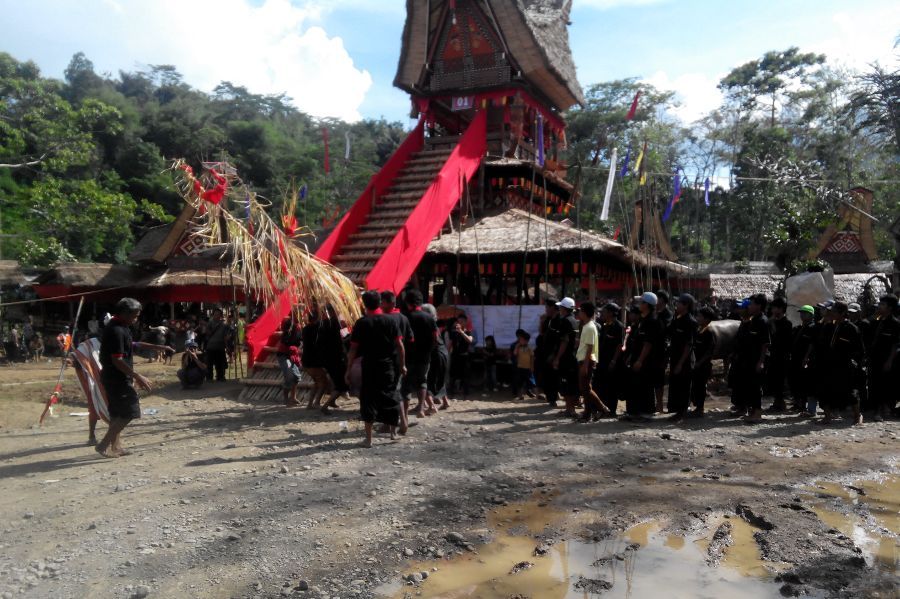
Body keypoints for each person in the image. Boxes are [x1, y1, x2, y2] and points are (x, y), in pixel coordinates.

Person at [95, 298, 170, 458]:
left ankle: (115, 447)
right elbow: (117, 359)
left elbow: (133, 344)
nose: (136, 319)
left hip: (113, 377)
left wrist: (158, 347)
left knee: (117, 413)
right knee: (130, 411)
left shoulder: (120, 327)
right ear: (124, 313)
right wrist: (137, 376)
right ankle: (103, 445)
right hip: (117, 378)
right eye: (135, 316)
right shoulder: (116, 331)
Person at [346, 290, 406, 447]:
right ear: (380, 302)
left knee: (368, 399)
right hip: (388, 366)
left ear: (364, 305)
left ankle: (368, 439)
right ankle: (392, 434)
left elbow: (353, 349)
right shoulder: (391, 321)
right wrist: (402, 365)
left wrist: (348, 369)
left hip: (369, 366)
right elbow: (400, 346)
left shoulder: (361, 323)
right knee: (391, 396)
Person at [819, 301, 864, 425]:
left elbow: (859, 350)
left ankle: (857, 416)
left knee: (850, 392)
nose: (831, 313)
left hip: (844, 366)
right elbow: (822, 346)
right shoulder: (829, 327)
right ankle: (827, 417)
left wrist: (855, 363)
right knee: (824, 390)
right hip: (828, 365)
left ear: (843, 313)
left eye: (834, 311)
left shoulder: (851, 328)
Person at [623, 293, 665, 421]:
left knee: (645, 386)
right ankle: (633, 412)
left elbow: (648, 344)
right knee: (635, 385)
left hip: (647, 361)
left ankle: (646, 412)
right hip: (637, 358)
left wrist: (640, 360)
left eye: (641, 302)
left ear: (646, 305)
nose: (639, 304)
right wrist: (632, 356)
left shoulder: (653, 321)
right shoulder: (643, 319)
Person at [731, 294, 770, 423]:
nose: (750, 307)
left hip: (756, 359)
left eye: (752, 304)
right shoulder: (752, 320)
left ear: (759, 306)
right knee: (749, 385)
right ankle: (751, 410)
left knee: (755, 386)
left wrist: (761, 361)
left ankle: (757, 412)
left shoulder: (763, 321)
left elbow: (765, 344)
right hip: (747, 359)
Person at [381, 291, 413, 432]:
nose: (381, 304)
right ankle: (391, 423)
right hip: (401, 359)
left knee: (391, 392)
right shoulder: (404, 318)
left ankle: (400, 422)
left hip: (387, 360)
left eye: (383, 302)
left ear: (390, 303)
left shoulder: (384, 319)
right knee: (396, 390)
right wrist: (404, 362)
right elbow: (410, 340)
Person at [404, 290, 439, 417]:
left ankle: (405, 414)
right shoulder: (429, 318)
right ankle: (420, 409)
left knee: (406, 384)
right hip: (424, 356)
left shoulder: (404, 317)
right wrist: (429, 350)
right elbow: (436, 337)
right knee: (422, 381)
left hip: (407, 356)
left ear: (407, 302)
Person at [866, 295, 899, 422]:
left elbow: (895, 345)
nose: (879, 306)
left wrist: (889, 361)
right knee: (873, 384)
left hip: (886, 360)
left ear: (889, 308)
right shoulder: (876, 321)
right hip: (874, 358)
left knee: (884, 385)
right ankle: (877, 408)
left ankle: (881, 410)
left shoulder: (895, 324)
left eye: (882, 304)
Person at [575, 302, 610, 421]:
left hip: (587, 361)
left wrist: (585, 365)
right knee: (584, 389)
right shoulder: (586, 326)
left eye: (580, 311)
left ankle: (603, 408)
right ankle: (588, 413)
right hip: (584, 360)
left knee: (586, 389)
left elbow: (590, 347)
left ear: (584, 312)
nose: (579, 313)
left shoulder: (589, 327)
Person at [667, 294, 697, 422]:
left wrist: (680, 363)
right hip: (675, 356)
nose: (676, 305)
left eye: (679, 303)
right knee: (675, 385)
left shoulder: (690, 321)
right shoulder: (677, 319)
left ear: (686, 305)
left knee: (684, 386)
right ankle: (677, 410)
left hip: (684, 360)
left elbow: (689, 345)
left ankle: (683, 412)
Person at [318, 304, 350, 415]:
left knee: (338, 381)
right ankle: (325, 406)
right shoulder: (334, 322)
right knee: (341, 385)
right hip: (336, 358)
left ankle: (331, 402)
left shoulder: (322, 324)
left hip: (327, 358)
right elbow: (344, 332)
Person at [550, 297, 579, 417]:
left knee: (566, 383)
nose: (559, 309)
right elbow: (576, 341)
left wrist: (557, 358)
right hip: (572, 356)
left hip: (566, 358)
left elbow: (564, 341)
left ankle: (570, 409)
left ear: (564, 308)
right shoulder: (574, 321)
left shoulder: (565, 321)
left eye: (560, 307)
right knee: (570, 383)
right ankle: (569, 408)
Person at [594, 303, 625, 417]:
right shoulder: (604, 325)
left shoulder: (619, 326)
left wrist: (614, 361)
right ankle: (602, 409)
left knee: (611, 386)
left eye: (605, 311)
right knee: (601, 385)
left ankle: (611, 410)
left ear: (611, 313)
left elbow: (619, 345)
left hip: (612, 361)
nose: (603, 313)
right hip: (602, 360)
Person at [765, 297, 793, 412]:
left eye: (775, 308)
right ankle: (777, 402)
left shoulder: (787, 323)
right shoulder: (771, 321)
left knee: (780, 380)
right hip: (772, 355)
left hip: (782, 356)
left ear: (781, 309)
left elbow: (782, 340)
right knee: (773, 380)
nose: (773, 310)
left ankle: (780, 403)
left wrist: (772, 325)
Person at [301, 309, 332, 410]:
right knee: (324, 383)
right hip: (313, 361)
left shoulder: (305, 329)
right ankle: (316, 402)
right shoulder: (318, 329)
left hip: (306, 360)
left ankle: (310, 404)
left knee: (317, 382)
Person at [690, 307, 717, 418]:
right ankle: (696, 407)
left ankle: (700, 409)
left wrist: (699, 362)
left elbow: (709, 351)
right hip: (696, 363)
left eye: (700, 316)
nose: (697, 318)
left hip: (703, 365)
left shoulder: (709, 332)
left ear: (706, 319)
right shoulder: (699, 330)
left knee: (701, 386)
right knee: (695, 386)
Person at [790, 305, 818, 414]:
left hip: (806, 360)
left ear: (811, 315)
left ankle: (805, 405)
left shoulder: (813, 328)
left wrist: (807, 357)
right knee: (796, 381)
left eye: (805, 313)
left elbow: (812, 344)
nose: (802, 315)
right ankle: (798, 403)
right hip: (796, 358)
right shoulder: (800, 328)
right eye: (801, 313)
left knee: (804, 382)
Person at [422, 304, 450, 411]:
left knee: (428, 380)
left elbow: (432, 341)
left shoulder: (427, 324)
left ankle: (431, 407)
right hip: (443, 352)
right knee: (439, 378)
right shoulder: (434, 324)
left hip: (436, 354)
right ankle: (445, 401)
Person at [276, 315, 303, 406]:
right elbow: (289, 342)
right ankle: (286, 398)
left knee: (296, 377)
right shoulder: (287, 332)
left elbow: (299, 340)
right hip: (284, 356)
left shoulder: (298, 328)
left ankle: (293, 397)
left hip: (290, 356)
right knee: (289, 376)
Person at [655, 289, 674, 413]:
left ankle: (660, 405)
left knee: (659, 379)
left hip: (661, 351)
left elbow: (665, 333)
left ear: (662, 300)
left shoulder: (668, 315)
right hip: (653, 350)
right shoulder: (655, 312)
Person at [448, 315, 474, 397]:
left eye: (462, 321)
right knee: (453, 374)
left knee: (465, 375)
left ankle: (466, 392)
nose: (460, 323)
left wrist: (461, 332)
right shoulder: (453, 332)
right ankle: (451, 391)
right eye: (458, 322)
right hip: (455, 356)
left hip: (464, 356)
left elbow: (470, 340)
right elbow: (450, 343)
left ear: (466, 322)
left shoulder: (468, 331)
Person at [204, 308, 228, 381]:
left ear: (220, 316)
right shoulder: (209, 323)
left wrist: (227, 346)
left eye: (218, 314)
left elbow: (225, 336)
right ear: (213, 315)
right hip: (211, 346)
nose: (216, 316)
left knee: (220, 363)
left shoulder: (224, 325)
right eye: (215, 314)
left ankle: (220, 376)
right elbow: (207, 333)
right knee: (209, 363)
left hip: (220, 346)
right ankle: (209, 377)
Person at [512, 330, 535, 400]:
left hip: (527, 368)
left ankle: (535, 394)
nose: (520, 341)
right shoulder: (518, 347)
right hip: (520, 367)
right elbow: (515, 353)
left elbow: (532, 358)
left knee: (531, 382)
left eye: (521, 340)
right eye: (520, 339)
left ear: (526, 341)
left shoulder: (529, 348)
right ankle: (520, 396)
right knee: (520, 383)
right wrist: (517, 347)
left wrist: (532, 366)